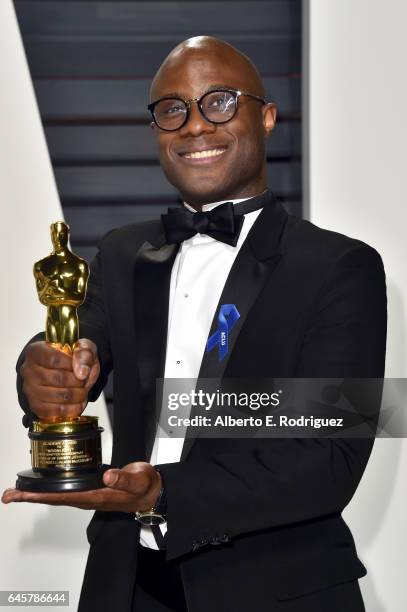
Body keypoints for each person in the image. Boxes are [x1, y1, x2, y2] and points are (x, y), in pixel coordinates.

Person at [2, 36, 387, 612]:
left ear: (267, 116)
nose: (195, 126)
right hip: (124, 585)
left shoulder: (341, 266)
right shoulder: (120, 251)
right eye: (172, 109)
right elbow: (78, 342)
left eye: (220, 102)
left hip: (274, 589)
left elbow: (330, 458)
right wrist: (42, 369)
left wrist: (162, 492)